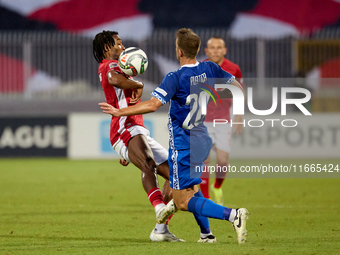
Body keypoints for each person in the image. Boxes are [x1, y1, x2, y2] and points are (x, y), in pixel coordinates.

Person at [99, 28, 250, 244]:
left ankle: (233, 215)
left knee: (181, 201)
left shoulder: (175, 78)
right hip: (202, 138)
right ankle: (206, 235)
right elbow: (237, 88)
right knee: (192, 187)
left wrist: (119, 112)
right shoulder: (210, 67)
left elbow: (152, 105)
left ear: (179, 52)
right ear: (198, 49)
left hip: (184, 143)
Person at [93, 30, 183, 242]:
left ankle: (161, 230)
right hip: (124, 127)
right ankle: (159, 206)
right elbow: (114, 80)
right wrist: (139, 84)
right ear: (107, 47)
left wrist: (129, 150)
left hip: (136, 129)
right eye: (118, 43)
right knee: (148, 162)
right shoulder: (109, 66)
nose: (122, 47)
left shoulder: (120, 67)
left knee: (175, 175)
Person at [200, 37, 244, 205]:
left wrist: (239, 115)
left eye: (219, 47)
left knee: (223, 161)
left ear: (224, 50)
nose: (216, 50)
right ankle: (206, 199)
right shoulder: (199, 68)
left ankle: (217, 186)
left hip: (223, 120)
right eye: (213, 47)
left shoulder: (233, 69)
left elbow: (239, 91)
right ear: (207, 51)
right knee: (204, 159)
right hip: (202, 121)